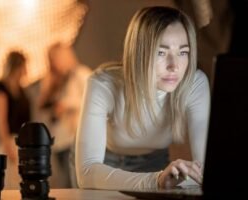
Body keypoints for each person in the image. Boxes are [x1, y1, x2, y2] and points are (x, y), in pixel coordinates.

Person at [74, 6, 210, 191]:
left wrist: (167, 179)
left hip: (156, 163)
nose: (174, 66)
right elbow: (88, 173)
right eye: (161, 52)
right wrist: (155, 181)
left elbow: (206, 173)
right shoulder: (103, 84)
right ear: (139, 53)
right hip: (104, 167)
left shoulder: (195, 83)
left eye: (183, 52)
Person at [37, 43, 91, 188]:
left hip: (76, 138)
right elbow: (42, 109)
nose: (55, 62)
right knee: (67, 183)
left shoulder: (81, 74)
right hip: (59, 140)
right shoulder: (52, 81)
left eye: (57, 58)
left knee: (76, 183)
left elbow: (93, 101)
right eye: (51, 59)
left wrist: (66, 105)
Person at [0, 50, 31, 189]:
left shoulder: (22, 91)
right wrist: (8, 147)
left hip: (22, 144)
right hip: (8, 143)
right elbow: (0, 120)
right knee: (8, 185)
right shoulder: (1, 89)